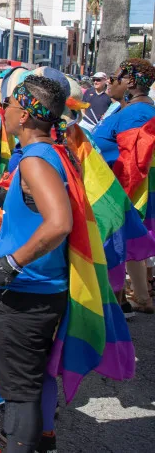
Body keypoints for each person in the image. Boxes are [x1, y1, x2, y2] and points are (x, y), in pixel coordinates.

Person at [0, 75, 73, 453]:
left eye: (7, 105)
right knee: (33, 380)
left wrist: (11, 262)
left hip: (28, 293)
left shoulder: (36, 160)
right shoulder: (54, 153)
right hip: (44, 287)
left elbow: (60, 223)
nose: (2, 111)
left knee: (20, 393)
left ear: (23, 114)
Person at [92, 59, 155, 315]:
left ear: (130, 82)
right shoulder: (130, 110)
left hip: (117, 194)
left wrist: (117, 204)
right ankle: (136, 296)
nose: (110, 81)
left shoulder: (136, 114)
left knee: (115, 251)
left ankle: (117, 308)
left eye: (115, 77)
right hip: (115, 192)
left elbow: (132, 165)